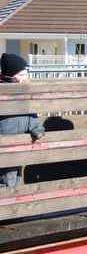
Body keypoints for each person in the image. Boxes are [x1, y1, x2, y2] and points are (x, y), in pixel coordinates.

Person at [0, 53, 45, 187]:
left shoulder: (24, 93)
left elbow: (31, 116)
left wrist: (37, 128)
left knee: (17, 175)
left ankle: (15, 201)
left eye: (27, 73)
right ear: (11, 76)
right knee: (7, 177)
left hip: (20, 142)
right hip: (6, 141)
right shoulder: (4, 92)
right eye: (22, 74)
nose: (26, 77)